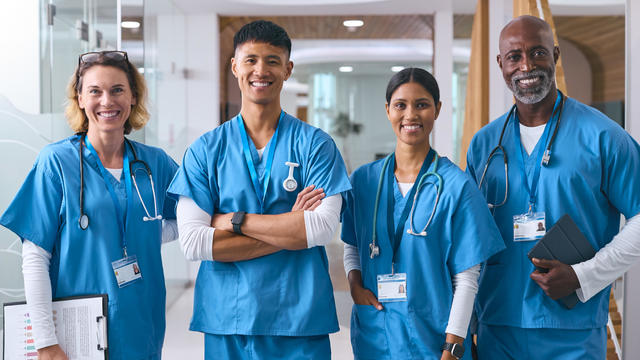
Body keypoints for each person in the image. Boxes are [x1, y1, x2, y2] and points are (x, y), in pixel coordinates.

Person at [167, 20, 351, 359]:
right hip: (228, 321)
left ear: (288, 69)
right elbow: (193, 243)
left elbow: (322, 229)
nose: (260, 70)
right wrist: (291, 228)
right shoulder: (205, 151)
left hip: (300, 318)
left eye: (272, 60)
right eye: (250, 59)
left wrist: (234, 220)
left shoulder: (316, 147)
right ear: (235, 66)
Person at [466, 15, 640, 359]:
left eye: (538, 53)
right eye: (514, 56)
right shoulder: (484, 144)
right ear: (501, 64)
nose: (526, 66)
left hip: (572, 331)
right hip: (496, 326)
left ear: (555, 55)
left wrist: (583, 275)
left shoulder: (605, 137)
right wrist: (465, 325)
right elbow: (469, 237)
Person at [0, 50, 179, 360]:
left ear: (133, 97)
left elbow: (187, 221)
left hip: (141, 323)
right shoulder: (56, 162)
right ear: (80, 98)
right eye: (95, 91)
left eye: (117, 90)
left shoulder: (155, 163)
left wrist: (146, 233)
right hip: (75, 332)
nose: (107, 101)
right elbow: (35, 256)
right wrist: (45, 342)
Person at [341, 68, 505, 360]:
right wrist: (354, 284)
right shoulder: (363, 181)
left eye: (422, 104)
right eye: (400, 105)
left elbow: (468, 277)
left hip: (434, 339)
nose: (410, 115)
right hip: (375, 336)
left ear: (437, 110)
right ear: (388, 110)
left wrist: (453, 346)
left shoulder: (457, 186)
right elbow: (352, 243)